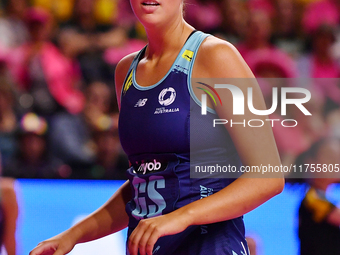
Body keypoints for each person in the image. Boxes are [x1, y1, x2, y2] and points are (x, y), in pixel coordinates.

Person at [30, 1, 284, 255]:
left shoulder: (217, 56)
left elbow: (268, 177)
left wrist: (183, 216)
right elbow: (143, 182)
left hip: (210, 246)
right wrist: (73, 236)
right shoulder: (125, 72)